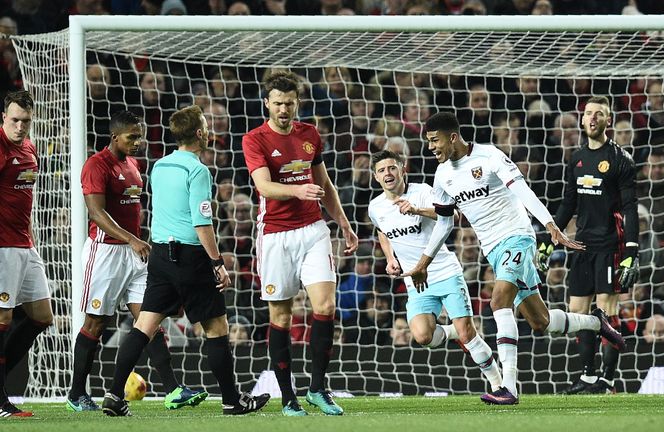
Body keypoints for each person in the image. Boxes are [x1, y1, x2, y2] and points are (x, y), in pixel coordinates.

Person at [404, 112, 625, 405]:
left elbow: (522, 190)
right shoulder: (443, 175)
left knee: (498, 301)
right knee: (541, 321)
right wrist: (424, 262)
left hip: (518, 236)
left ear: (452, 137)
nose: (431, 147)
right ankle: (596, 322)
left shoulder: (490, 156)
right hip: (493, 249)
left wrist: (550, 225)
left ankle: (508, 387)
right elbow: (445, 222)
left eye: (434, 140)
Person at [101, 105, 270, 417]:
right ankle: (232, 401)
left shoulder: (159, 167)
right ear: (200, 133)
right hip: (191, 257)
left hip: (160, 255)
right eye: (205, 126)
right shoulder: (198, 171)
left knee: (143, 327)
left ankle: (113, 395)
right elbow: (201, 223)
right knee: (217, 328)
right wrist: (217, 262)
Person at [68, 110, 207, 412]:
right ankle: (77, 393)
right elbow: (96, 212)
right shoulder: (96, 165)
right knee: (95, 322)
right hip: (104, 252)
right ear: (115, 136)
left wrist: (138, 242)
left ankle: (172, 390)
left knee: (150, 319)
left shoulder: (134, 165)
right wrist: (130, 239)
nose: (138, 142)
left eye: (140, 136)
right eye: (132, 137)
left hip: (136, 254)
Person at [242, 71, 357, 416]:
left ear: (297, 103)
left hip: (313, 229)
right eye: (277, 103)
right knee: (281, 314)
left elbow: (325, 184)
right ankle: (288, 396)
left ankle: (318, 389)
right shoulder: (255, 139)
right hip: (275, 235)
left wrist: (344, 224)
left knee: (325, 305)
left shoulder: (310, 135)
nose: (283, 109)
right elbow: (263, 186)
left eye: (289, 103)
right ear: (267, 103)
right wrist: (297, 190)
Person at [368, 150, 503, 392]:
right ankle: (456, 332)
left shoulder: (423, 191)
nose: (387, 173)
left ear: (402, 170)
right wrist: (390, 258)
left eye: (392, 168)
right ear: (375, 177)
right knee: (422, 336)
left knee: (468, 334)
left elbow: (454, 214)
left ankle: (498, 383)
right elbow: (382, 230)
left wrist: (416, 210)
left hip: (445, 272)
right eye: (381, 170)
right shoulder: (375, 207)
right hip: (416, 282)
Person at [543, 96, 639, 395]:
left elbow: (631, 208)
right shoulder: (577, 159)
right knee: (578, 312)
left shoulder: (621, 159)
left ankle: (608, 379)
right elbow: (568, 203)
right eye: (588, 114)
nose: (593, 118)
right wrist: (551, 239)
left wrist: (631, 253)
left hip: (610, 246)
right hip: (581, 246)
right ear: (582, 120)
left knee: (606, 311)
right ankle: (587, 376)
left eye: (600, 113)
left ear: (608, 121)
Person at [0, 90, 53, 418]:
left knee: (41, 316)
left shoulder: (30, 148)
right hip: (3, 246)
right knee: (3, 318)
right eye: (14, 120)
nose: (20, 126)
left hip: (24, 244)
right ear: (3, 117)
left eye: (26, 121)